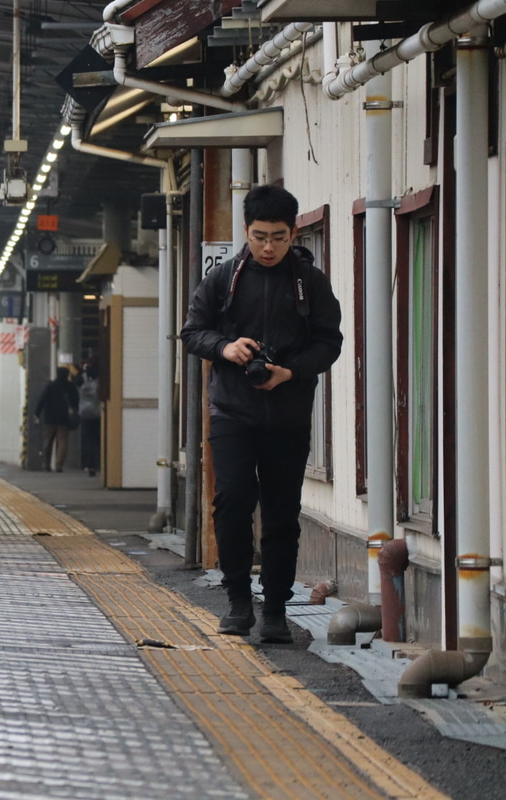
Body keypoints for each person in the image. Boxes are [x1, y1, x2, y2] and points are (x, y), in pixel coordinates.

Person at [179, 185, 342, 644]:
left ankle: (274, 610)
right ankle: (237, 602)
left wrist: (290, 371)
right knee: (232, 502)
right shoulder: (223, 279)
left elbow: (330, 343)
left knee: (281, 513)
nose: (268, 247)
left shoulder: (311, 283)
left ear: (294, 234)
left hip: (288, 415)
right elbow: (192, 332)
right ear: (246, 231)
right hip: (232, 412)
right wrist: (225, 347)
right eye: (259, 237)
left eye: (278, 237)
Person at [33, 367, 78, 472]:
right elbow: (76, 400)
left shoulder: (51, 385)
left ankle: (47, 464)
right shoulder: (70, 386)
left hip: (50, 417)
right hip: (64, 417)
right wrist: (75, 410)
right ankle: (59, 465)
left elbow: (42, 399)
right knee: (62, 440)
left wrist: (37, 413)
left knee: (48, 440)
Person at [75, 362, 101, 477]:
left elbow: (75, 393)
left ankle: (89, 464)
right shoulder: (100, 379)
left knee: (88, 440)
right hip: (98, 412)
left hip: (84, 413)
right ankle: (99, 463)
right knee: (98, 440)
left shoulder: (80, 379)